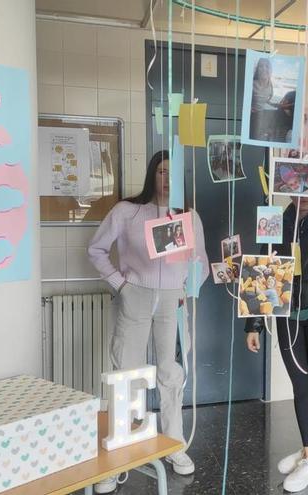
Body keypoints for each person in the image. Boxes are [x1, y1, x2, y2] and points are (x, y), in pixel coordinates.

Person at [88, 150, 209, 490]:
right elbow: (96, 250)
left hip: (173, 301)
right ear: (152, 175)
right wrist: (121, 285)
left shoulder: (188, 215)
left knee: (171, 372)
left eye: (173, 173)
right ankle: (119, 457)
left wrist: (188, 287)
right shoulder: (127, 212)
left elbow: (200, 260)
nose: (167, 179)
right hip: (136, 295)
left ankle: (174, 444)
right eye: (161, 172)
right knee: (127, 372)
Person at [244, 195, 308, 493]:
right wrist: (255, 324)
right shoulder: (277, 218)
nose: (306, 191)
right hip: (286, 310)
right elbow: (264, 266)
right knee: (300, 385)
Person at [249, 58, 278, 142]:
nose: (264, 69)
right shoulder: (252, 84)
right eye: (261, 66)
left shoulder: (270, 85)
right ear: (257, 69)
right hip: (255, 116)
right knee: (256, 139)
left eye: (267, 66)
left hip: (265, 115)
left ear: (270, 69)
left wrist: (276, 105)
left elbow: (267, 100)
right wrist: (250, 108)